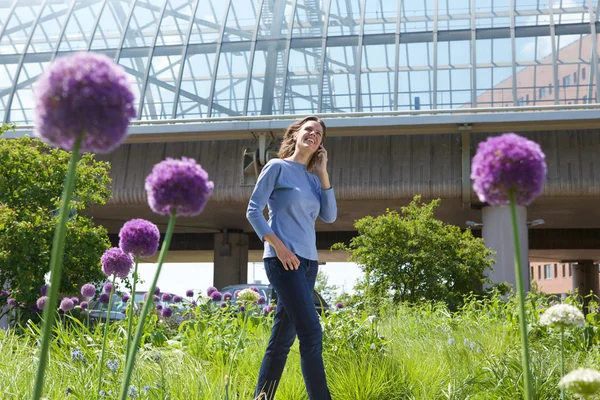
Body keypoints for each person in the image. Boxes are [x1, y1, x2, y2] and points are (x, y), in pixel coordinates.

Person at [247, 116, 337, 400]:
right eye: (308, 129)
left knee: (283, 338)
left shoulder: (313, 179)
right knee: (311, 332)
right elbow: (253, 211)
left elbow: (330, 216)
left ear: (321, 144)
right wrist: (279, 246)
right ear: (295, 135)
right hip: (282, 261)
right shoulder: (277, 167)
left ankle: (263, 397)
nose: (313, 134)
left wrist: (323, 173)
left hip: (308, 264)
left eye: (319, 133)